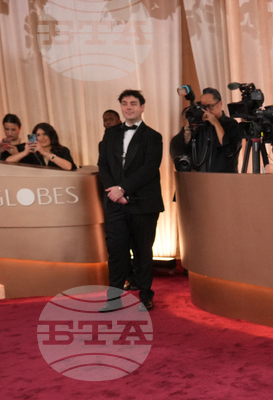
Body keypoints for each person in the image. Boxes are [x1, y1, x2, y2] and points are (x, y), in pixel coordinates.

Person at [97, 90, 164, 312]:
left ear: (142, 107)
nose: (128, 107)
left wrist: (123, 189)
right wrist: (113, 191)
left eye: (133, 103)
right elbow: (103, 164)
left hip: (143, 203)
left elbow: (149, 169)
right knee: (116, 252)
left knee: (143, 252)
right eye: (124, 103)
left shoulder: (153, 136)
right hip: (115, 203)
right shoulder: (110, 134)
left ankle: (145, 296)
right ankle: (114, 298)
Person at [170, 87, 241, 173]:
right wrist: (188, 127)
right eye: (203, 106)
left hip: (224, 177)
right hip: (202, 177)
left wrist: (215, 123)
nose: (206, 110)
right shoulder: (201, 125)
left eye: (210, 106)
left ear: (220, 104)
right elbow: (184, 148)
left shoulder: (231, 124)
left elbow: (229, 150)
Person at [4, 123, 77, 170]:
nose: (42, 138)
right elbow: (8, 162)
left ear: (51, 135)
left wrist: (44, 153)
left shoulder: (62, 150)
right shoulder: (32, 153)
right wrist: (25, 152)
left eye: (45, 134)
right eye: (38, 135)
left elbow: (68, 167)